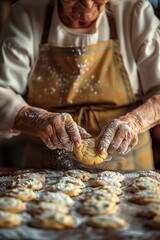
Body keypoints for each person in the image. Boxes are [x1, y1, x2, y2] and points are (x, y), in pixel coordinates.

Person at [0, 0, 160, 171]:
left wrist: (134, 122)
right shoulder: (27, 14)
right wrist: (38, 119)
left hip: (128, 167)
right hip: (46, 169)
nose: (88, 4)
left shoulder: (135, 12)